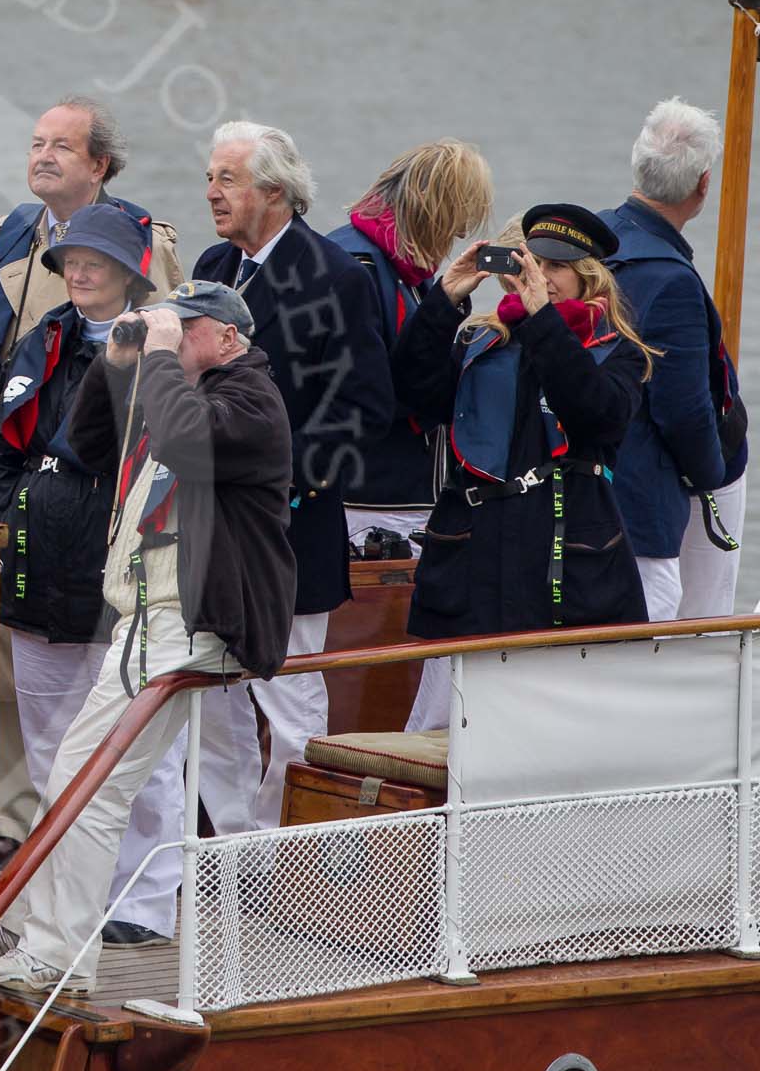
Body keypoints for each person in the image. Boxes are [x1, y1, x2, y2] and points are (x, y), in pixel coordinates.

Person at [0, 280, 295, 995]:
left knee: (86, 786)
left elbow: (185, 440)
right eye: (169, 330)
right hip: (149, 618)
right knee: (81, 780)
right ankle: (57, 944)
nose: (173, 339)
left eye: (185, 330)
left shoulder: (250, 401)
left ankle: (57, 954)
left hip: (191, 622)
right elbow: (85, 443)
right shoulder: (172, 387)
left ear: (225, 336)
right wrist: (115, 362)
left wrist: (154, 356)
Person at [0, 96, 182, 862]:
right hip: (4, 471)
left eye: (61, 146)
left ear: (99, 165)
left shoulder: (147, 245)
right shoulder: (9, 234)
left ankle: (124, 870)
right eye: (36, 142)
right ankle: (21, 824)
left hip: (97, 504)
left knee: (102, 689)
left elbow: (172, 369)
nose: (42, 155)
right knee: (8, 661)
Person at [191, 121, 395, 831]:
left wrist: (285, 481)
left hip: (289, 526)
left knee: (291, 699)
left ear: (274, 190)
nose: (211, 191)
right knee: (211, 698)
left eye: (227, 178)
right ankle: (235, 849)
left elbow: (365, 406)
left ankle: (292, 852)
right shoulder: (214, 267)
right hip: (207, 528)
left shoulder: (334, 275)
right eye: (211, 176)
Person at [393, 205, 653, 636]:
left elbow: (599, 417)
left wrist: (543, 323)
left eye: (557, 267)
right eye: (535, 265)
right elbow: (414, 395)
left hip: (565, 557)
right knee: (451, 699)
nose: (543, 277)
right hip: (475, 554)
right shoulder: (484, 342)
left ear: (587, 276)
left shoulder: (616, 351)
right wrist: (444, 301)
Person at [323, 140, 494, 730]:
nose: (453, 239)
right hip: (373, 495)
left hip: (381, 487)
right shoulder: (364, 269)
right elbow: (382, 388)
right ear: (435, 212)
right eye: (454, 224)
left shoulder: (395, 268)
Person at [600, 99, 749, 619]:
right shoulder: (671, 282)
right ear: (703, 185)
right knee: (698, 629)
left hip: (593, 480)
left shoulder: (586, 241)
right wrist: (714, 475)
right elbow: (683, 410)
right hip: (653, 489)